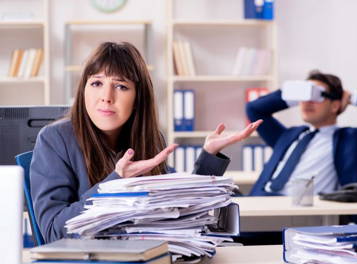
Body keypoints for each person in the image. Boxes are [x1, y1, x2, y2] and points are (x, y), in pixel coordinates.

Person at [31, 41, 262, 243]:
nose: (106, 96)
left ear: (138, 97)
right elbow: (53, 231)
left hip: (145, 258)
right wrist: (116, 184)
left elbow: (179, 204)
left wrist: (209, 156)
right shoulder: (55, 139)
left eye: (121, 86)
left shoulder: (147, 138)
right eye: (96, 83)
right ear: (83, 89)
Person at [242, 70, 357, 244]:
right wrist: (297, 93)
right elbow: (254, 109)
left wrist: (351, 96)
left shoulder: (353, 141)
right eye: (305, 95)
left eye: (317, 96)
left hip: (307, 219)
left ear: (335, 105)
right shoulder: (287, 135)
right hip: (262, 210)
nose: (307, 102)